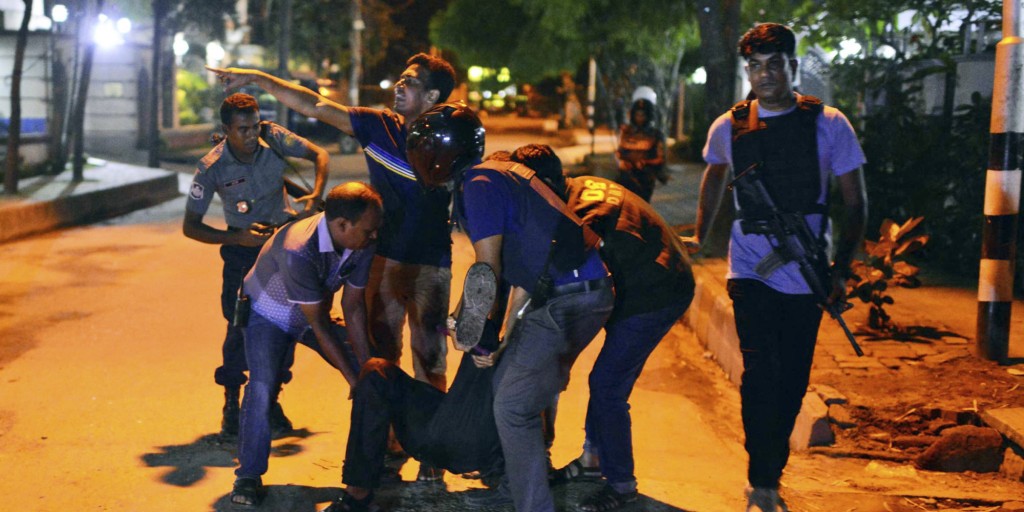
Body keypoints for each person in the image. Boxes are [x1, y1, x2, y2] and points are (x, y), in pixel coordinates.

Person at [681, 23, 867, 512]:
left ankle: (771, 464)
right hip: (750, 271)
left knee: (792, 381)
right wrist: (701, 236)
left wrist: (841, 269)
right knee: (760, 372)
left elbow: (856, 203)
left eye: (774, 64)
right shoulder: (730, 126)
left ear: (793, 66)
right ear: (748, 70)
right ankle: (761, 478)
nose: (764, 75)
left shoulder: (830, 124)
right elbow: (714, 177)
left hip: (808, 271)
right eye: (755, 66)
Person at [406, 103, 615, 512]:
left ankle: (532, 505)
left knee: (512, 406)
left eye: (425, 146)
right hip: (575, 290)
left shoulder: (478, 184)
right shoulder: (497, 175)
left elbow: (488, 269)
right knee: (506, 389)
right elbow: (520, 267)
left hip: (567, 297)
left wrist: (486, 340)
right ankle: (512, 491)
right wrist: (469, 319)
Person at [208, 54, 457, 394]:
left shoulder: (452, 139)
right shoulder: (379, 127)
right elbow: (314, 105)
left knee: (430, 360)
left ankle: (429, 442)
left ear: (432, 97)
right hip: (381, 259)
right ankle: (387, 439)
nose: (399, 86)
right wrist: (255, 78)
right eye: (400, 79)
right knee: (381, 355)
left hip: (432, 263)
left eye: (410, 82)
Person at [511, 144, 695, 512]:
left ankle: (622, 484)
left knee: (607, 386)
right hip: (653, 277)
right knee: (603, 380)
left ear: (542, 185)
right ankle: (593, 461)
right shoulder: (583, 184)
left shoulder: (576, 215)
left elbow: (557, 272)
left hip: (654, 293)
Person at [183, 92, 329, 438]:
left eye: (254, 126)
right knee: (239, 327)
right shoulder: (211, 167)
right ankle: (232, 401)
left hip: (285, 246)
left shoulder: (274, 136)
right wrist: (238, 238)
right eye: (243, 130)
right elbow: (191, 227)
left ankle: (272, 399)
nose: (252, 135)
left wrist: (316, 195)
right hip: (243, 251)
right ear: (226, 129)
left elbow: (319, 155)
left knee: (287, 323)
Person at [229, 182, 382, 508]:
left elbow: (354, 306)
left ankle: (361, 476)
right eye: (368, 231)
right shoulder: (300, 248)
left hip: (313, 311)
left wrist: (365, 370)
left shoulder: (364, 239)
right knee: (261, 386)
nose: (374, 237)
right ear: (342, 225)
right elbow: (319, 326)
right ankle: (248, 475)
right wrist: (352, 380)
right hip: (267, 313)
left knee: (375, 378)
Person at [615, 94, 667, 203]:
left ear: (648, 116)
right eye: (637, 115)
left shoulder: (655, 134)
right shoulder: (626, 132)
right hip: (626, 177)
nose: (639, 118)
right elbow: (620, 152)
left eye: (642, 115)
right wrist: (623, 162)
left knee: (642, 206)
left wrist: (645, 163)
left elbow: (660, 158)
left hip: (645, 178)